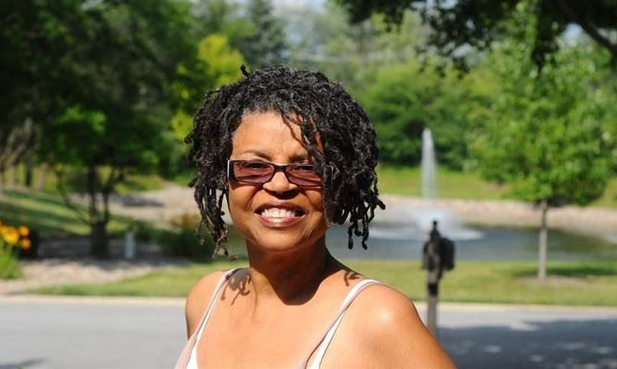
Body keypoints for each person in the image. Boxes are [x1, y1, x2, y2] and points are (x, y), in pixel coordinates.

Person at [176, 65, 455, 368]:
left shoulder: (377, 317)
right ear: (223, 178)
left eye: (308, 168)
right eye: (254, 167)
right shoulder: (208, 299)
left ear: (339, 182)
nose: (280, 185)